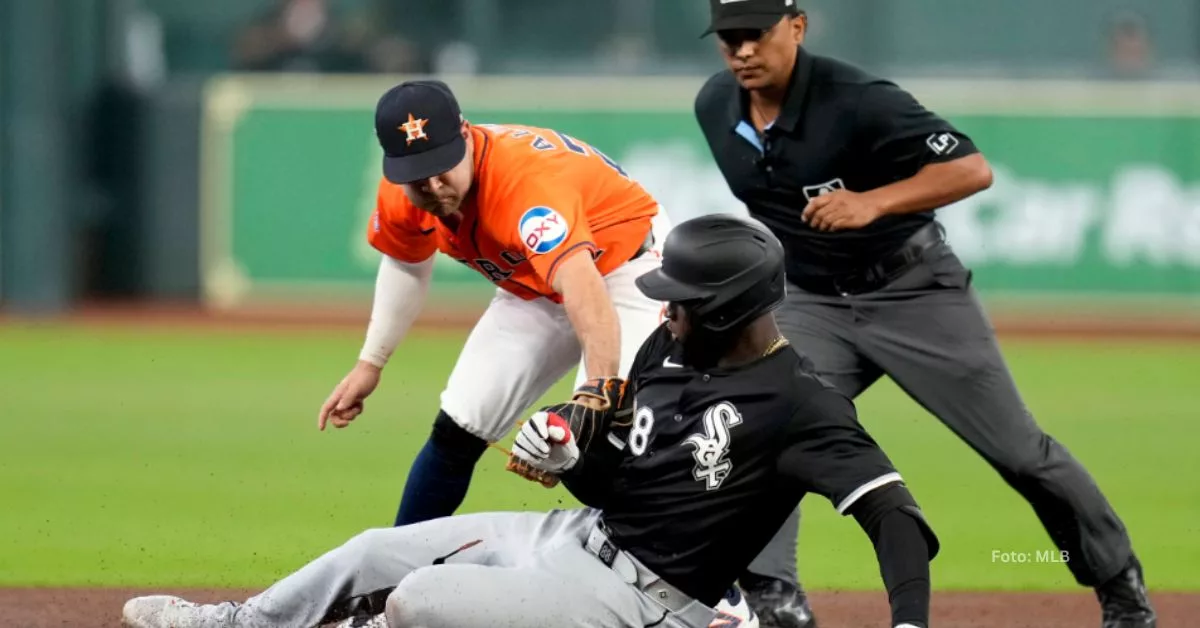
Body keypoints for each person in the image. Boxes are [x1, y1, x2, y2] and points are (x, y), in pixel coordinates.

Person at [121, 214, 938, 628]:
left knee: (418, 601)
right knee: (376, 551)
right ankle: (236, 623)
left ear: (728, 310)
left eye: (680, 305)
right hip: (576, 538)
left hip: (643, 601)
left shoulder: (800, 404)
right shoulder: (667, 353)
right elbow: (608, 479)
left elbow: (895, 518)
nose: (664, 315)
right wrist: (565, 455)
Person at [691, 2, 1157, 628]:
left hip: (912, 291)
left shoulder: (858, 98)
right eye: (729, 39)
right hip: (812, 301)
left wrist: (874, 203)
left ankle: (1118, 585)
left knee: (1019, 452)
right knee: (766, 426)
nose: (743, 51)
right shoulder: (716, 106)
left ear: (796, 27)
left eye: (756, 34)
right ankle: (775, 597)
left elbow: (971, 168)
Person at [317, 79, 672, 531]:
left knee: (596, 443)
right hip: (534, 283)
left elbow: (581, 284)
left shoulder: (525, 184)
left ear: (465, 134)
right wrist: (371, 363)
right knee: (457, 431)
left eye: (442, 165)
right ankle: (388, 579)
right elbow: (407, 264)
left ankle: (710, 582)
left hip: (622, 268)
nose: (432, 184)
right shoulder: (403, 191)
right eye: (416, 173)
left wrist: (595, 394)